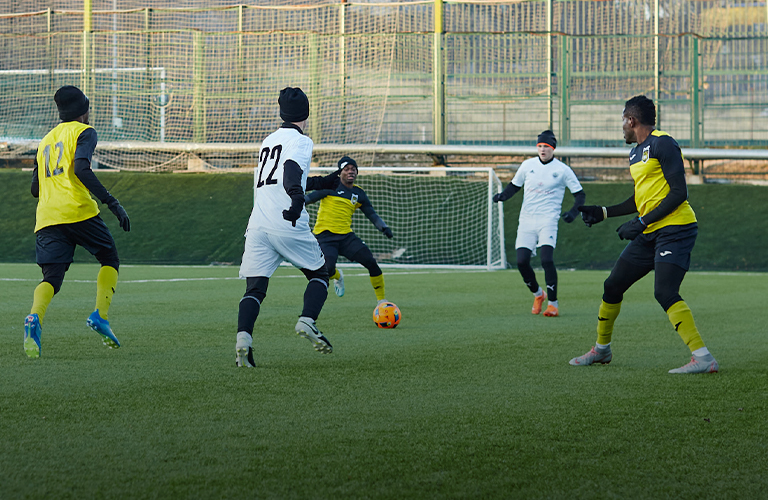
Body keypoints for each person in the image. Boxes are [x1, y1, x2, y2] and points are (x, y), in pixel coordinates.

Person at [570, 95, 718, 374]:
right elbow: (642, 198)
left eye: (623, 121)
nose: (622, 127)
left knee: (664, 291)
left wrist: (641, 223)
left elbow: (679, 193)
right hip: (650, 231)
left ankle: (704, 358)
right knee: (612, 285)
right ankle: (602, 350)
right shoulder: (635, 152)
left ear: (631, 120)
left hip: (676, 229)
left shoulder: (664, 143)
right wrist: (603, 212)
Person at [235, 87, 341, 367]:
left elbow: (282, 177)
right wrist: (296, 202)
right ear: (306, 114)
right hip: (287, 221)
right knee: (320, 274)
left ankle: (243, 340)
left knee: (254, 289)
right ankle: (307, 321)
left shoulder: (268, 141)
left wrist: (323, 182)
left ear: (282, 112)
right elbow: (291, 172)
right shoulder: (302, 141)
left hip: (258, 225)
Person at [23, 85, 131, 359]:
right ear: (84, 111)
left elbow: (35, 189)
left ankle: (34, 318)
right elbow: (81, 168)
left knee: (52, 279)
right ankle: (100, 315)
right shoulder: (85, 132)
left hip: (47, 217)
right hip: (78, 211)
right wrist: (112, 202)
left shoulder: (45, 140)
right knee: (109, 258)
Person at [493, 130, 585, 317]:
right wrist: (503, 196)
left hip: (548, 220)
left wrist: (573, 212)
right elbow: (514, 186)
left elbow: (580, 195)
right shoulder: (528, 165)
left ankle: (553, 304)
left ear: (553, 148)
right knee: (521, 261)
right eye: (540, 146)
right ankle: (538, 294)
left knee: (546, 259)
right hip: (526, 220)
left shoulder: (562, 170)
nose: (543, 150)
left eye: (547, 146)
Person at [304, 155, 394, 305]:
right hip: (324, 236)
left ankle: (382, 301)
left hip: (346, 237)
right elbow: (309, 198)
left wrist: (383, 228)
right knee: (328, 268)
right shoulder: (329, 186)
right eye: (346, 169)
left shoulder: (359, 193)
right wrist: (294, 204)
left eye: (353, 169)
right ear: (340, 172)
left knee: (371, 263)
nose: (350, 171)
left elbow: (371, 214)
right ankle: (338, 277)